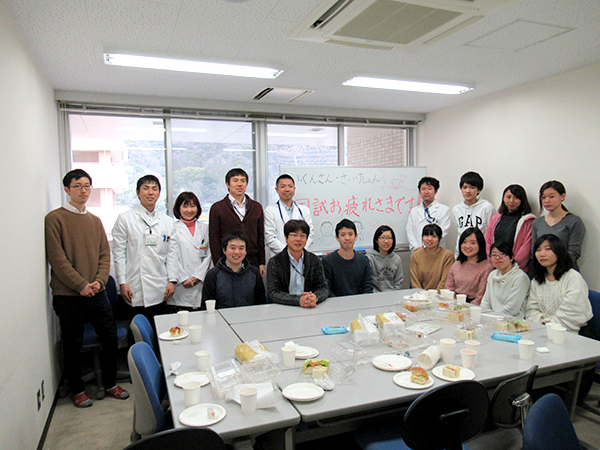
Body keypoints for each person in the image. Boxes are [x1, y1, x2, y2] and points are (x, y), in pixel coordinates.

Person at [45, 169, 128, 408]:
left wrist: (99, 282)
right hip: (67, 294)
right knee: (72, 342)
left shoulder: (95, 221)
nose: (84, 190)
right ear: (67, 189)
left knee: (109, 336)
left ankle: (110, 383)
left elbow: (105, 255)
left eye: (87, 186)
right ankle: (77, 389)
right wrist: (81, 285)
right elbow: (57, 259)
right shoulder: (55, 219)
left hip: (96, 291)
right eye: (78, 186)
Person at [112, 175, 179, 322]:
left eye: (154, 189)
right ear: (138, 192)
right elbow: (119, 254)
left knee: (160, 329)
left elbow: (172, 254)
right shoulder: (125, 219)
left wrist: (172, 280)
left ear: (159, 194)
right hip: (134, 286)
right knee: (137, 329)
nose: (150, 192)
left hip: (160, 286)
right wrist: (122, 282)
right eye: (146, 188)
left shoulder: (167, 222)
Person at [526, 234, 592, 333]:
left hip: (571, 333)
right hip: (543, 330)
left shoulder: (572, 277)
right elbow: (531, 310)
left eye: (548, 249)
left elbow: (572, 313)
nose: (542, 254)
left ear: (559, 251)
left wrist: (549, 325)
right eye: (538, 250)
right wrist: (542, 324)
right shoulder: (537, 280)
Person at [209, 168, 266, 277]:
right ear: (227, 184)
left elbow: (260, 236)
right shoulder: (217, 208)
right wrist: (218, 264)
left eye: (243, 181)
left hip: (252, 261)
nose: (240, 184)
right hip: (227, 262)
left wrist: (262, 262)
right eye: (235, 180)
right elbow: (214, 238)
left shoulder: (256, 207)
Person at [165, 192, 212, 313]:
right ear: (178, 208)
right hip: (181, 283)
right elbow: (171, 255)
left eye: (192, 206)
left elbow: (209, 254)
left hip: (200, 281)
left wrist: (198, 276)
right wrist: (183, 278)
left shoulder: (205, 228)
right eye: (185, 206)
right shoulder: (172, 228)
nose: (189, 210)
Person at [267, 220, 328, 307]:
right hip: (284, 307)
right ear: (286, 238)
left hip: (309, 307)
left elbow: (323, 288)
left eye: (302, 236)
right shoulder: (275, 262)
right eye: (294, 235)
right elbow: (274, 293)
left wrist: (315, 297)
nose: (298, 239)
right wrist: (298, 300)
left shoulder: (314, 260)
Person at [202, 231, 266, 309]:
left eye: (241, 248)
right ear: (224, 250)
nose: (237, 252)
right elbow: (206, 305)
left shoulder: (254, 273)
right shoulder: (213, 274)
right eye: (232, 248)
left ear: (246, 251)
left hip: (249, 315)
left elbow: (261, 303)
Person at [531, 180, 585, 270]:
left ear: (562, 196)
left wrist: (553, 268)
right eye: (543, 197)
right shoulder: (537, 222)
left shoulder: (574, 221)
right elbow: (534, 250)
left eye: (551, 196)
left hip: (566, 270)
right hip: (543, 272)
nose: (547, 201)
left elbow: (574, 252)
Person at [485, 184, 536, 274]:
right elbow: (488, 240)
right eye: (508, 197)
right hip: (496, 268)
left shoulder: (528, 221)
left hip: (517, 270)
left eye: (516, 198)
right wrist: (493, 260)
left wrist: (510, 266)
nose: (511, 201)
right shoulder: (495, 219)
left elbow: (526, 248)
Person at [264, 174, 314, 262]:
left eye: (290, 186)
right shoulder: (270, 210)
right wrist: (289, 253)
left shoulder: (304, 210)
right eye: (283, 186)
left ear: (294, 189)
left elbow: (310, 235)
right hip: (279, 258)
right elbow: (270, 238)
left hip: (301, 258)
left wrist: (300, 252)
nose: (287, 189)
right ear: (277, 190)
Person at [322, 219, 373, 297]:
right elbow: (327, 290)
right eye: (343, 235)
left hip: (360, 302)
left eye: (350, 234)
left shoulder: (364, 260)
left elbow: (367, 288)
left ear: (356, 236)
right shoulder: (327, 261)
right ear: (337, 237)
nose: (347, 238)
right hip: (336, 303)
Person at [481, 241, 530, 317]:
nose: (498, 258)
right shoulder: (492, 275)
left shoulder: (520, 277)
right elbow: (486, 301)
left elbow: (512, 309)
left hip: (512, 320)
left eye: (502, 254)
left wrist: (494, 318)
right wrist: (484, 316)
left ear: (511, 257)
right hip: (492, 318)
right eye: (494, 255)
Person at [445, 228, 492, 305]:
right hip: (454, 304)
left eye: (473, 243)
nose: (467, 246)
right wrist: (454, 305)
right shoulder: (456, 264)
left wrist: (465, 308)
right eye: (464, 242)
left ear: (480, 244)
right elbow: (449, 289)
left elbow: (481, 296)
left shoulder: (487, 267)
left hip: (474, 306)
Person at [452, 171, 495, 255]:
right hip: (461, 252)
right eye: (465, 187)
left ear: (479, 190)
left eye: (472, 188)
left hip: (481, 253)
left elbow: (491, 233)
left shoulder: (487, 207)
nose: (468, 191)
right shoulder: (456, 209)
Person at [406, 176, 451, 252]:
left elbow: (443, 232)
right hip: (417, 251)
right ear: (419, 191)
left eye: (429, 189)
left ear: (435, 191)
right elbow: (409, 231)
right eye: (423, 189)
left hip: (436, 252)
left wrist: (426, 248)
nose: (426, 192)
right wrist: (416, 247)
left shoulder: (444, 210)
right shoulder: (414, 211)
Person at [410, 224, 454, 290]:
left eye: (434, 236)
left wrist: (435, 294)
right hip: (420, 294)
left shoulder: (447, 255)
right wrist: (421, 294)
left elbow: (444, 281)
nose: (429, 239)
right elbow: (415, 281)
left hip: (440, 294)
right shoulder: (416, 255)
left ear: (440, 239)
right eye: (426, 235)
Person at [366, 225, 404, 292]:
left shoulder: (396, 259)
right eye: (383, 238)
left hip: (392, 295)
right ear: (376, 240)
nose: (386, 241)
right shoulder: (369, 258)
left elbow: (398, 283)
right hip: (374, 295)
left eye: (389, 238)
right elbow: (367, 283)